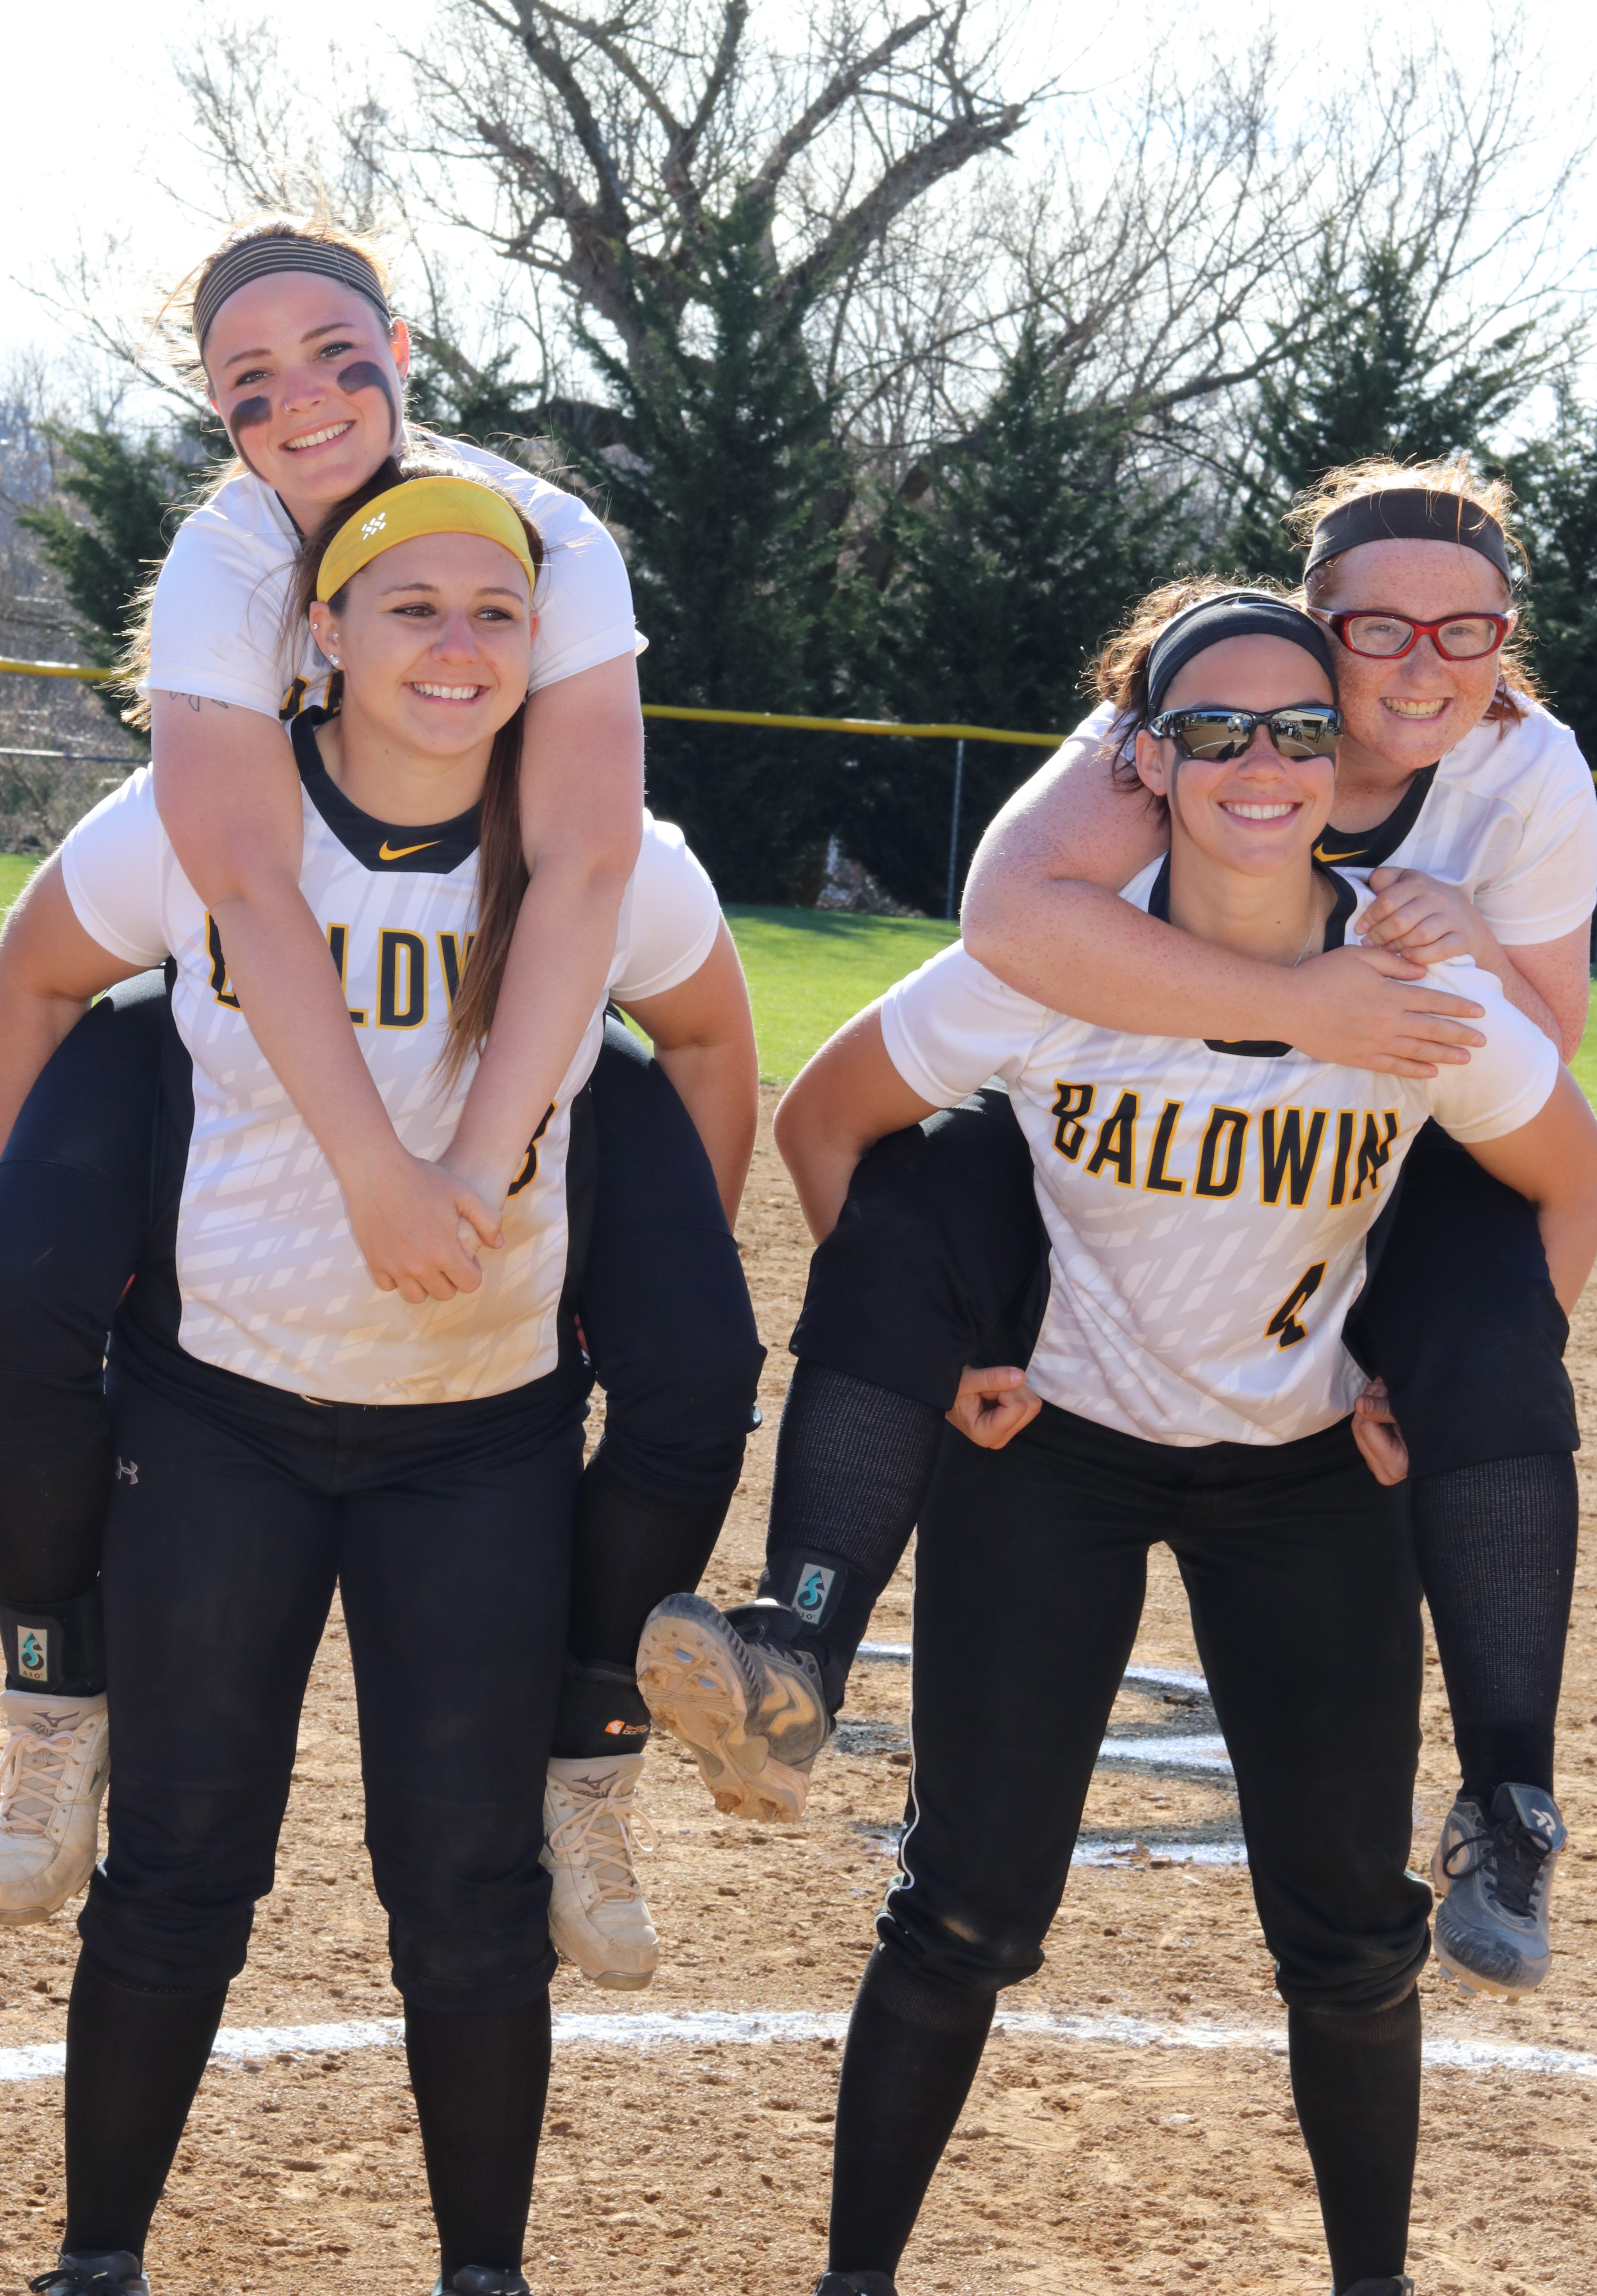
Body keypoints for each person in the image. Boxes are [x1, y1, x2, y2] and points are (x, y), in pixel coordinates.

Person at [640, 464, 1594, 1999]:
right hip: (1119, 1115)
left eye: (1468, 628)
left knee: (1491, 1309)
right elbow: (1011, 917)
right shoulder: (1198, 705)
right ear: (1312, 630)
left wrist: (1430, 951)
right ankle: (797, 1639)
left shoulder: (1532, 770)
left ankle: (1505, 1796)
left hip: (1379, 1150)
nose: (1424, 661)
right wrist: (1292, 994)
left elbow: (1535, 1066)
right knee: (927, 1184)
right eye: (1379, 628)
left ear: (1506, 640)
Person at [762, 589, 1597, 2296]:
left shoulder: (1412, 966)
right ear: (1143, 760)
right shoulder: (1062, 956)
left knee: (1353, 1937)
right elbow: (827, 1122)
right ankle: (853, 2283)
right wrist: (950, 1364)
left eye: (1301, 728)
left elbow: (1564, 1182)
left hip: (1301, 1473)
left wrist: (1429, 1389)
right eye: (1211, 730)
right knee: (966, 1910)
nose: (1261, 761)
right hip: (1055, 1454)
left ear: (1341, 757)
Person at [2, 464, 745, 2296]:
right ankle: (99, 2260)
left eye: (496, 613)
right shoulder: (194, 833)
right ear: (319, 636)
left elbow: (714, 1035)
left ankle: (480, 2273)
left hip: (474, 1446)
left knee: (467, 1895)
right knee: (181, 1867)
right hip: (223, 1417)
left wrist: (626, 1252)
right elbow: (32, 982)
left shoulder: (609, 858)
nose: (459, 646)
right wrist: (58, 1224)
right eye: (410, 608)